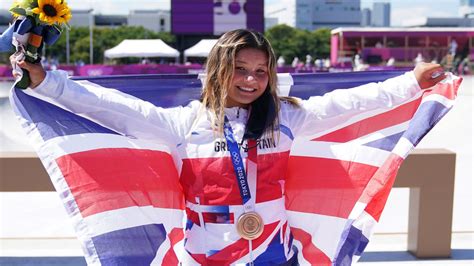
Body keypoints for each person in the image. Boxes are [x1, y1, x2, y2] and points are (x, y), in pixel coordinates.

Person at [11, 29, 446, 265]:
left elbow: (353, 103)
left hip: (274, 251)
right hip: (208, 254)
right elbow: (112, 106)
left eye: (261, 71)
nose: (252, 80)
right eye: (241, 69)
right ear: (220, 70)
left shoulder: (287, 117)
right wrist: (49, 82)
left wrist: (411, 81)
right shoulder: (183, 123)